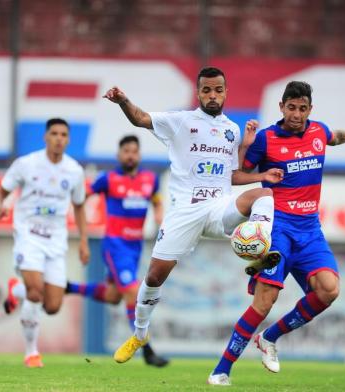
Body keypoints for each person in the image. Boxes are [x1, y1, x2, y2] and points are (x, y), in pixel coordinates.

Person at [102, 66, 284, 364]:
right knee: (153, 276)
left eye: (218, 90)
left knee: (264, 195)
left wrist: (261, 173)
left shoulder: (232, 130)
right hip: (184, 211)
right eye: (207, 90)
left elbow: (232, 176)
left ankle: (258, 250)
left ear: (226, 92)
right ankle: (139, 334)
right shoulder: (180, 121)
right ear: (198, 92)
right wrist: (123, 101)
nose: (213, 95)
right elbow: (141, 118)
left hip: (218, 208)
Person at [208, 81, 345, 385]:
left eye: (302, 109)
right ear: (281, 107)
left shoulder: (318, 131)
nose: (297, 114)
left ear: (310, 110)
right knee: (264, 303)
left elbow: (336, 137)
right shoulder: (267, 139)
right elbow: (235, 175)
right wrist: (248, 150)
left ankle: (270, 338)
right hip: (279, 228)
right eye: (291, 108)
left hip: (310, 229)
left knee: (329, 290)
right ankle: (221, 370)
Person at [66, 134, 169, 367]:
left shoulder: (150, 180)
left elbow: (157, 200)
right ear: (119, 155)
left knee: (114, 296)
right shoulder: (108, 179)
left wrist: (159, 215)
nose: (130, 155)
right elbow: (81, 199)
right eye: (126, 151)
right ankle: (147, 350)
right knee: (133, 292)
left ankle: (69, 287)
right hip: (115, 244)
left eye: (134, 151)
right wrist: (82, 234)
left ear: (139, 155)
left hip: (134, 247)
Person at [0, 118, 90, 368]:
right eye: (54, 133)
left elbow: (80, 207)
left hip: (56, 242)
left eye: (63, 134)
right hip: (28, 235)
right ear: (45, 137)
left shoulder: (74, 171)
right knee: (36, 293)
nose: (59, 138)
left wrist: (83, 241)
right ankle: (32, 353)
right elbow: (3, 189)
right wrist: (1, 205)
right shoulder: (26, 164)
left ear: (68, 139)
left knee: (52, 305)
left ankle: (16, 289)